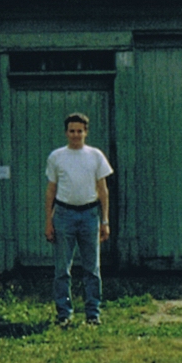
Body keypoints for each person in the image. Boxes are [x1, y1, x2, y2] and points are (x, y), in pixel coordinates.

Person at [43, 111, 113, 324]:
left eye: (79, 131)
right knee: (62, 269)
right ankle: (64, 313)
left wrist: (105, 221)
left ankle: (93, 314)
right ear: (66, 133)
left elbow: (103, 190)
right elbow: (51, 191)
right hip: (64, 215)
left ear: (86, 132)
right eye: (72, 131)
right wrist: (49, 221)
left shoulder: (95, 156)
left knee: (92, 268)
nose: (76, 135)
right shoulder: (57, 157)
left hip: (90, 215)